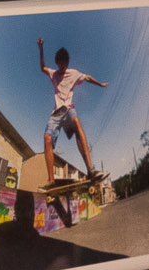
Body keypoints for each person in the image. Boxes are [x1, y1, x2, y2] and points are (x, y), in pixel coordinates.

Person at [37, 37, 109, 182]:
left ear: (67, 62)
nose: (62, 66)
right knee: (47, 138)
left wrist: (100, 84)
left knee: (75, 121)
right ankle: (51, 180)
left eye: (64, 64)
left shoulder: (74, 73)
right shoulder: (53, 73)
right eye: (59, 64)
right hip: (57, 113)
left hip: (69, 109)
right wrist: (41, 49)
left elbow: (87, 77)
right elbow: (42, 68)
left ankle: (90, 170)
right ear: (57, 62)